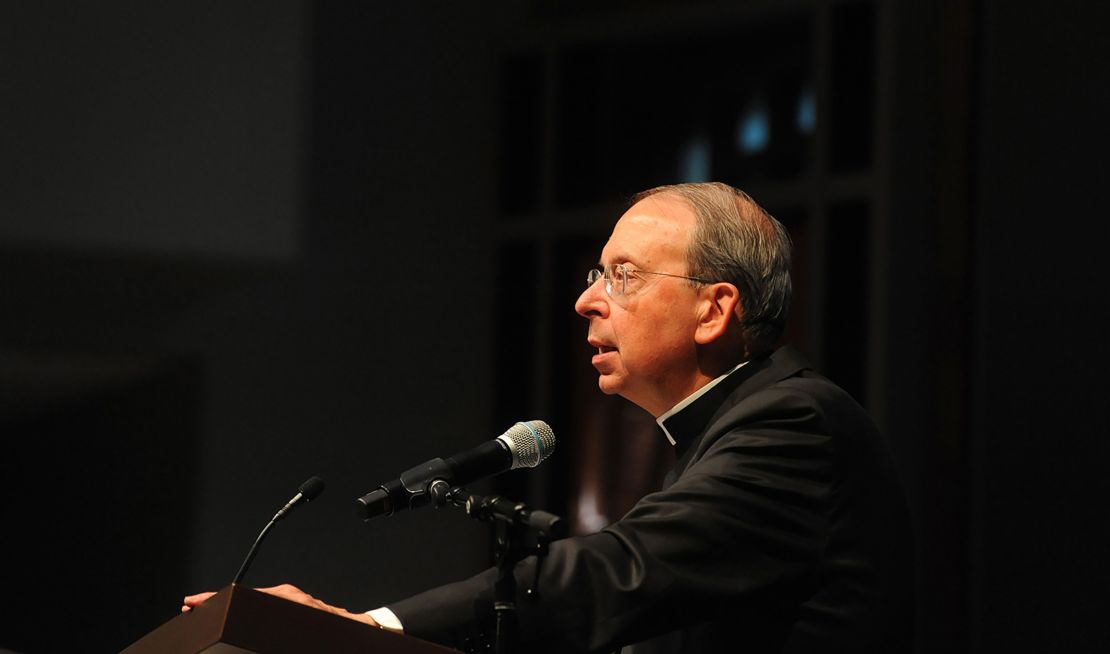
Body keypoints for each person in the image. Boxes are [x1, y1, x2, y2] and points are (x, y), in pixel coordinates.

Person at [185, 182, 913, 653]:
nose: (587, 301)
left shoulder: (794, 424)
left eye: (622, 276)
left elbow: (616, 574)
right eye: (594, 275)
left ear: (714, 309)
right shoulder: (719, 433)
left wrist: (367, 633)